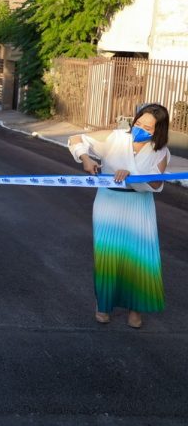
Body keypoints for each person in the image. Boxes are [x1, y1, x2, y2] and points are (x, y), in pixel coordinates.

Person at [68, 103, 171, 329]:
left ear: (159, 131)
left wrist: (131, 175)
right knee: (108, 253)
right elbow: (76, 138)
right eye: (139, 123)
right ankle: (103, 305)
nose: (140, 128)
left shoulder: (161, 151)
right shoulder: (115, 138)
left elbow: (156, 182)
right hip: (108, 203)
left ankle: (135, 309)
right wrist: (86, 159)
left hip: (139, 205)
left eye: (148, 127)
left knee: (139, 257)